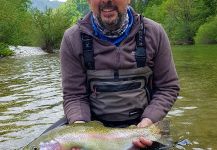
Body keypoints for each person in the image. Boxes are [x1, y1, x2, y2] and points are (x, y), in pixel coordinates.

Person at [60, 0, 179, 149]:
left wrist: (148, 122)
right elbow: (74, 95)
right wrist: (79, 129)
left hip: (141, 124)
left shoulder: (155, 32)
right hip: (91, 125)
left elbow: (167, 87)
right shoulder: (72, 38)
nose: (106, 1)